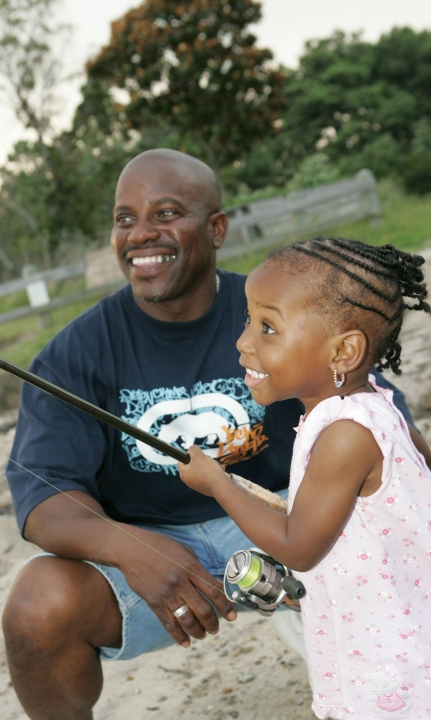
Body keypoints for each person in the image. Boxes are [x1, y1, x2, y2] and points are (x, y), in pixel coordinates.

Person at [3, 150, 415, 720]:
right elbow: (44, 499)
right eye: (125, 219)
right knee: (36, 604)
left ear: (216, 228)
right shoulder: (74, 352)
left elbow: (382, 424)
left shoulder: (283, 308)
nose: (141, 234)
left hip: (292, 522)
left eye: (166, 213)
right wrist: (133, 548)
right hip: (146, 548)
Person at [179, 236, 431, 719]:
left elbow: (297, 546)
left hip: (392, 657)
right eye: (248, 320)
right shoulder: (377, 406)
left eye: (268, 327)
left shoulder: (344, 437)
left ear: (344, 351)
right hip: (393, 629)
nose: (243, 341)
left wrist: (219, 485)